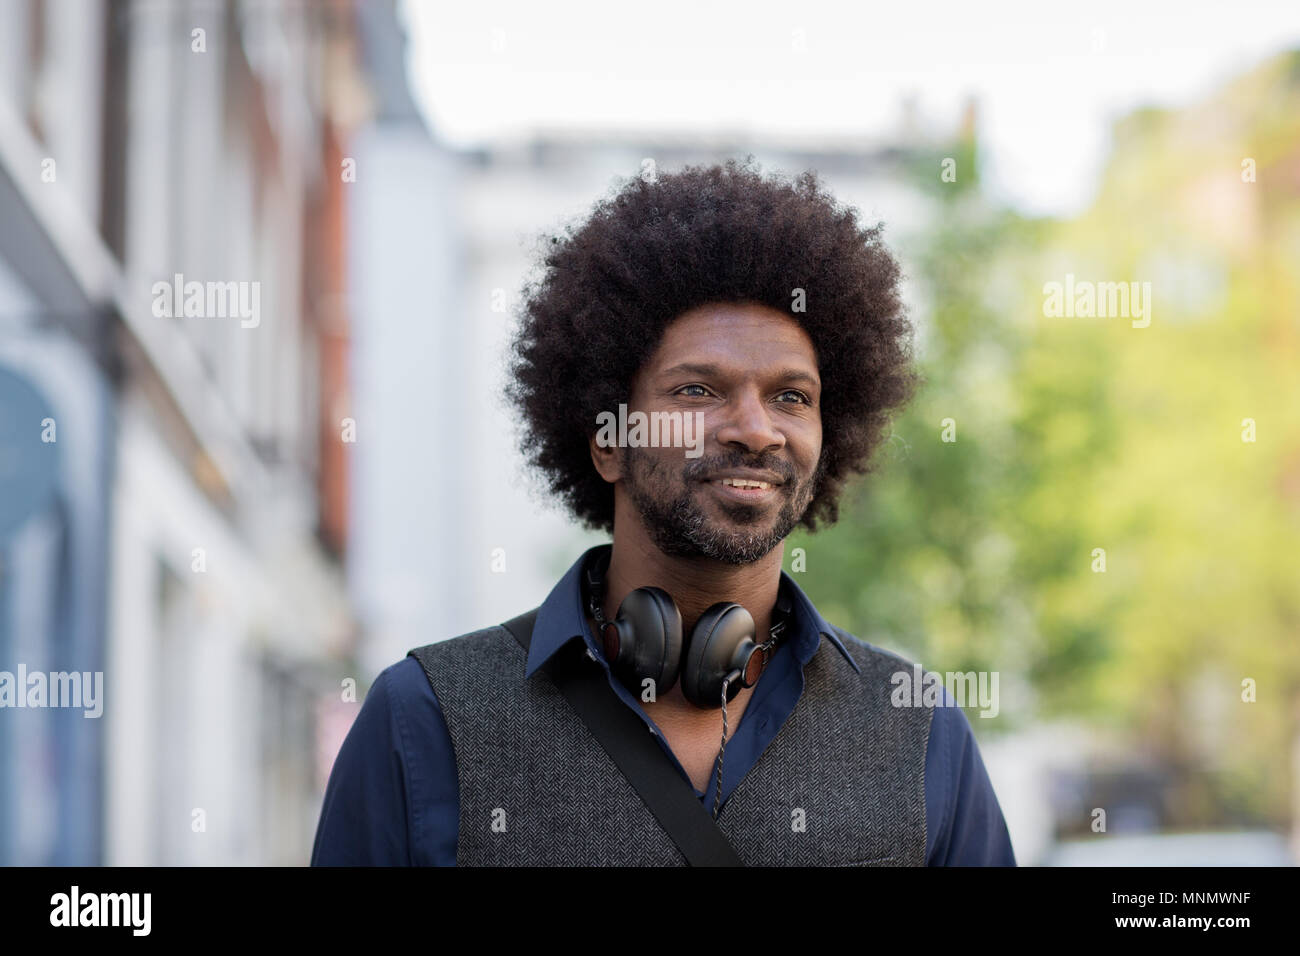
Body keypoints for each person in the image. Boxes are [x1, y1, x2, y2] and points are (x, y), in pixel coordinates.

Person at [312, 157, 1015, 866]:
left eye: (792, 397)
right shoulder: (425, 720)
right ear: (609, 442)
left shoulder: (918, 729)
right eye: (698, 392)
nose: (755, 428)